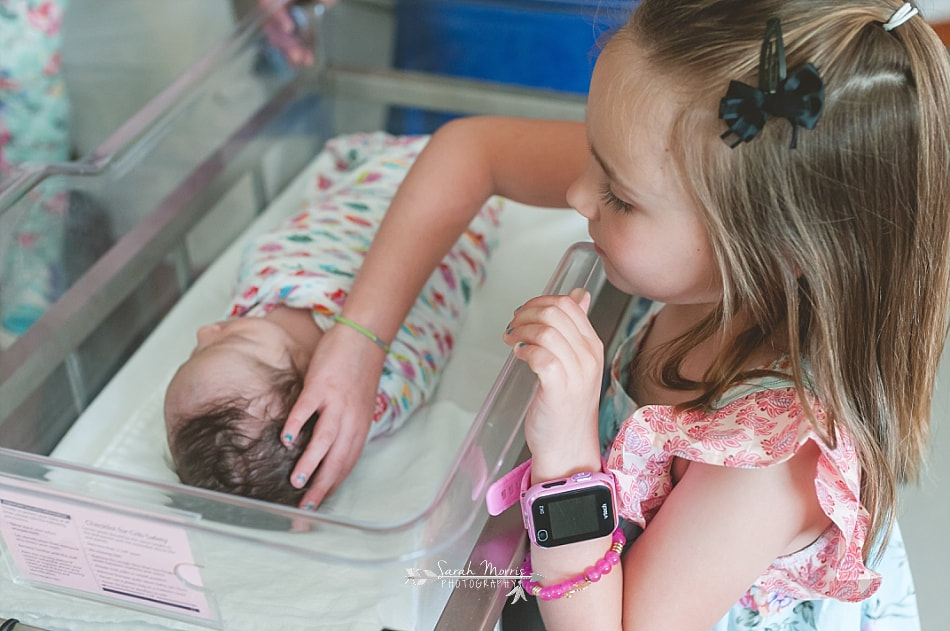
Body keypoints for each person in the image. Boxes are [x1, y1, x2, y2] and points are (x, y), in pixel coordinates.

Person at [283, 0, 949, 628]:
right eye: (593, 155)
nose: (576, 192)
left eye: (619, 198)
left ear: (774, 250)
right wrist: (359, 340)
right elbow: (473, 150)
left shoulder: (767, 462)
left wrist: (569, 450)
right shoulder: (702, 194)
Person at [163, 132, 500, 508]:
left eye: (194, 352)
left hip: (439, 175)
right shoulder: (381, 386)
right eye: (232, 340)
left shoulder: (264, 279)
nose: (206, 330)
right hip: (458, 205)